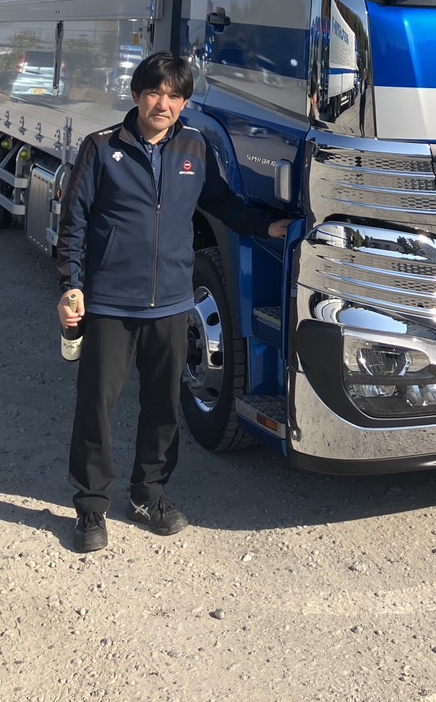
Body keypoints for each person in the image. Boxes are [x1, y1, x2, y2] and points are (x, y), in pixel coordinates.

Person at [56, 51, 291, 553]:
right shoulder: (101, 148)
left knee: (164, 406)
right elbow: (73, 221)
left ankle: (148, 495)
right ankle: (91, 506)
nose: (163, 104)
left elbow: (222, 203)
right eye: (154, 93)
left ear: (184, 103)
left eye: (174, 96)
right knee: (96, 407)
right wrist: (72, 285)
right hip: (111, 305)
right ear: (137, 94)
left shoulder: (195, 147)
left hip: (170, 304)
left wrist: (265, 226)